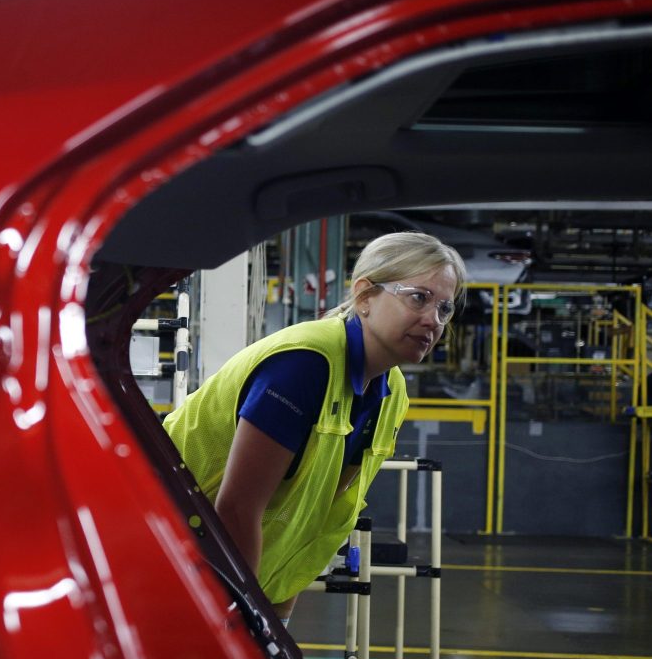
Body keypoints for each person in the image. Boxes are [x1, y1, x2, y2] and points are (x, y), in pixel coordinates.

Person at [164, 232, 465, 624]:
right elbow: (238, 509)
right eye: (418, 297)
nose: (433, 320)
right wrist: (244, 622)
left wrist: (277, 612)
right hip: (169, 552)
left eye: (444, 308)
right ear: (365, 296)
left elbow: (306, 514)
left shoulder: (392, 394)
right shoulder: (304, 365)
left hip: (228, 572)